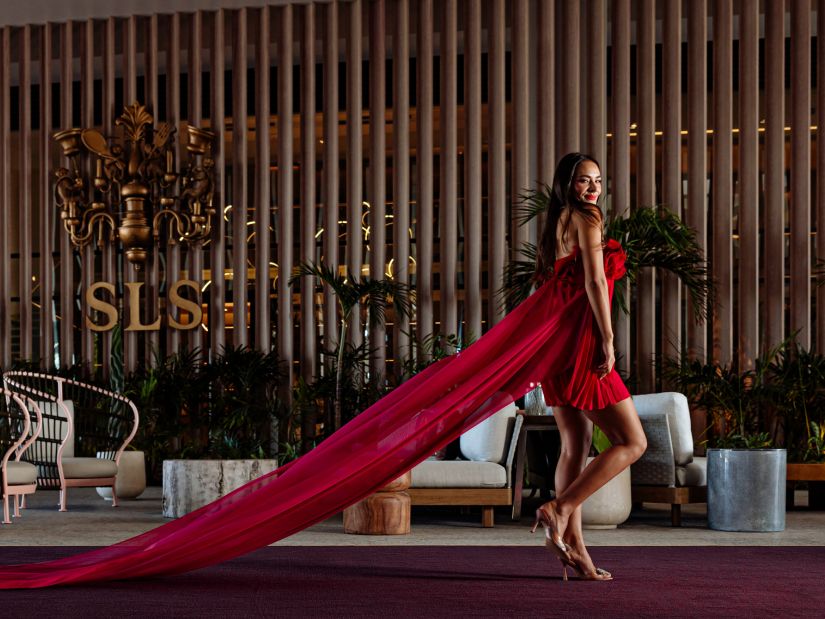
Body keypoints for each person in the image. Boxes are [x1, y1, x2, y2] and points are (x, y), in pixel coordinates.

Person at [529, 152, 647, 581]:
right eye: (583, 180)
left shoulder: (557, 224)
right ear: (567, 184)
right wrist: (609, 339)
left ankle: (575, 548)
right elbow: (595, 282)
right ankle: (558, 508)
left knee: (574, 447)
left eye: (597, 180)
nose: (593, 188)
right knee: (633, 442)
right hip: (583, 348)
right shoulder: (587, 218)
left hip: (556, 353)